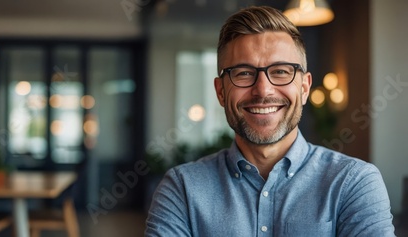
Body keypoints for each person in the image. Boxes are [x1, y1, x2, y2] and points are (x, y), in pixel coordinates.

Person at [145, 6, 395, 237]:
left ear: (305, 88)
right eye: (244, 73)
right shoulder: (182, 189)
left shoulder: (353, 183)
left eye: (281, 72)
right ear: (221, 91)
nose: (263, 91)